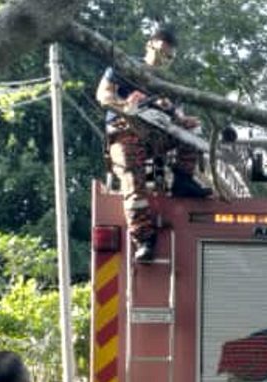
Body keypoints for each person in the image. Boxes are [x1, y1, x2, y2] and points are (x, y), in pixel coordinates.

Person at [96, 25, 212, 264]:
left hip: (156, 134)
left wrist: (181, 119)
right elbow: (103, 95)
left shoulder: (168, 82)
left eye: (169, 57)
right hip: (125, 130)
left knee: (193, 131)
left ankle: (183, 179)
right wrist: (125, 105)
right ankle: (144, 238)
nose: (165, 60)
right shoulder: (125, 66)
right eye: (162, 53)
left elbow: (177, 114)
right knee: (133, 179)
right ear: (150, 44)